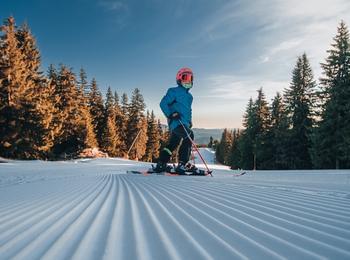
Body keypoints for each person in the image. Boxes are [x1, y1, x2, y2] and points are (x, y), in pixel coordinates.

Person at [153, 67, 197, 174]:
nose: (188, 80)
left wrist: (190, 121)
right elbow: (163, 103)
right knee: (189, 136)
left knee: (173, 143)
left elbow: (188, 111)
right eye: (185, 77)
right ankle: (183, 163)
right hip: (176, 122)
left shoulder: (190, 97)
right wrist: (171, 114)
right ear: (179, 78)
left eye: (190, 78)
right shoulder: (173, 91)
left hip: (184, 123)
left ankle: (161, 163)